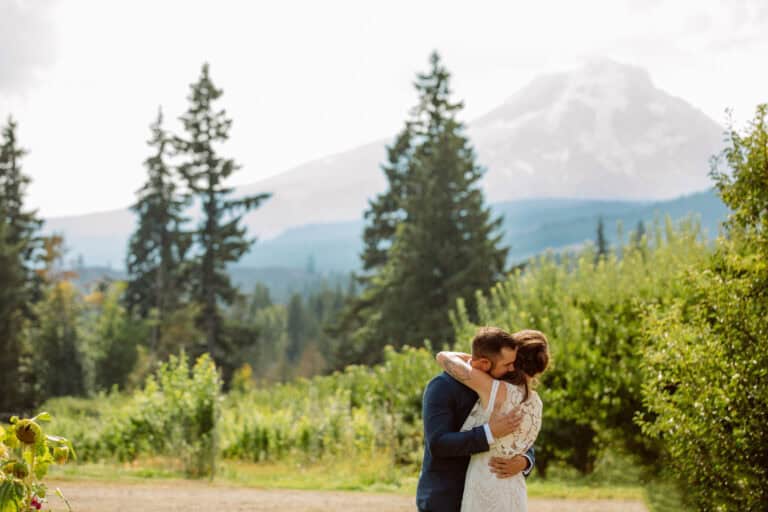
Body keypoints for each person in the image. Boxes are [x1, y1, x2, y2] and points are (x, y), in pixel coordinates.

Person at [416, 327, 537, 512]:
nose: (512, 369)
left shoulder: (502, 388)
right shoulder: (441, 387)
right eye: (507, 364)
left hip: (490, 494)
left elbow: (521, 432)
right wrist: (490, 432)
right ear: (484, 363)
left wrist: (525, 461)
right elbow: (438, 443)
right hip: (447, 498)